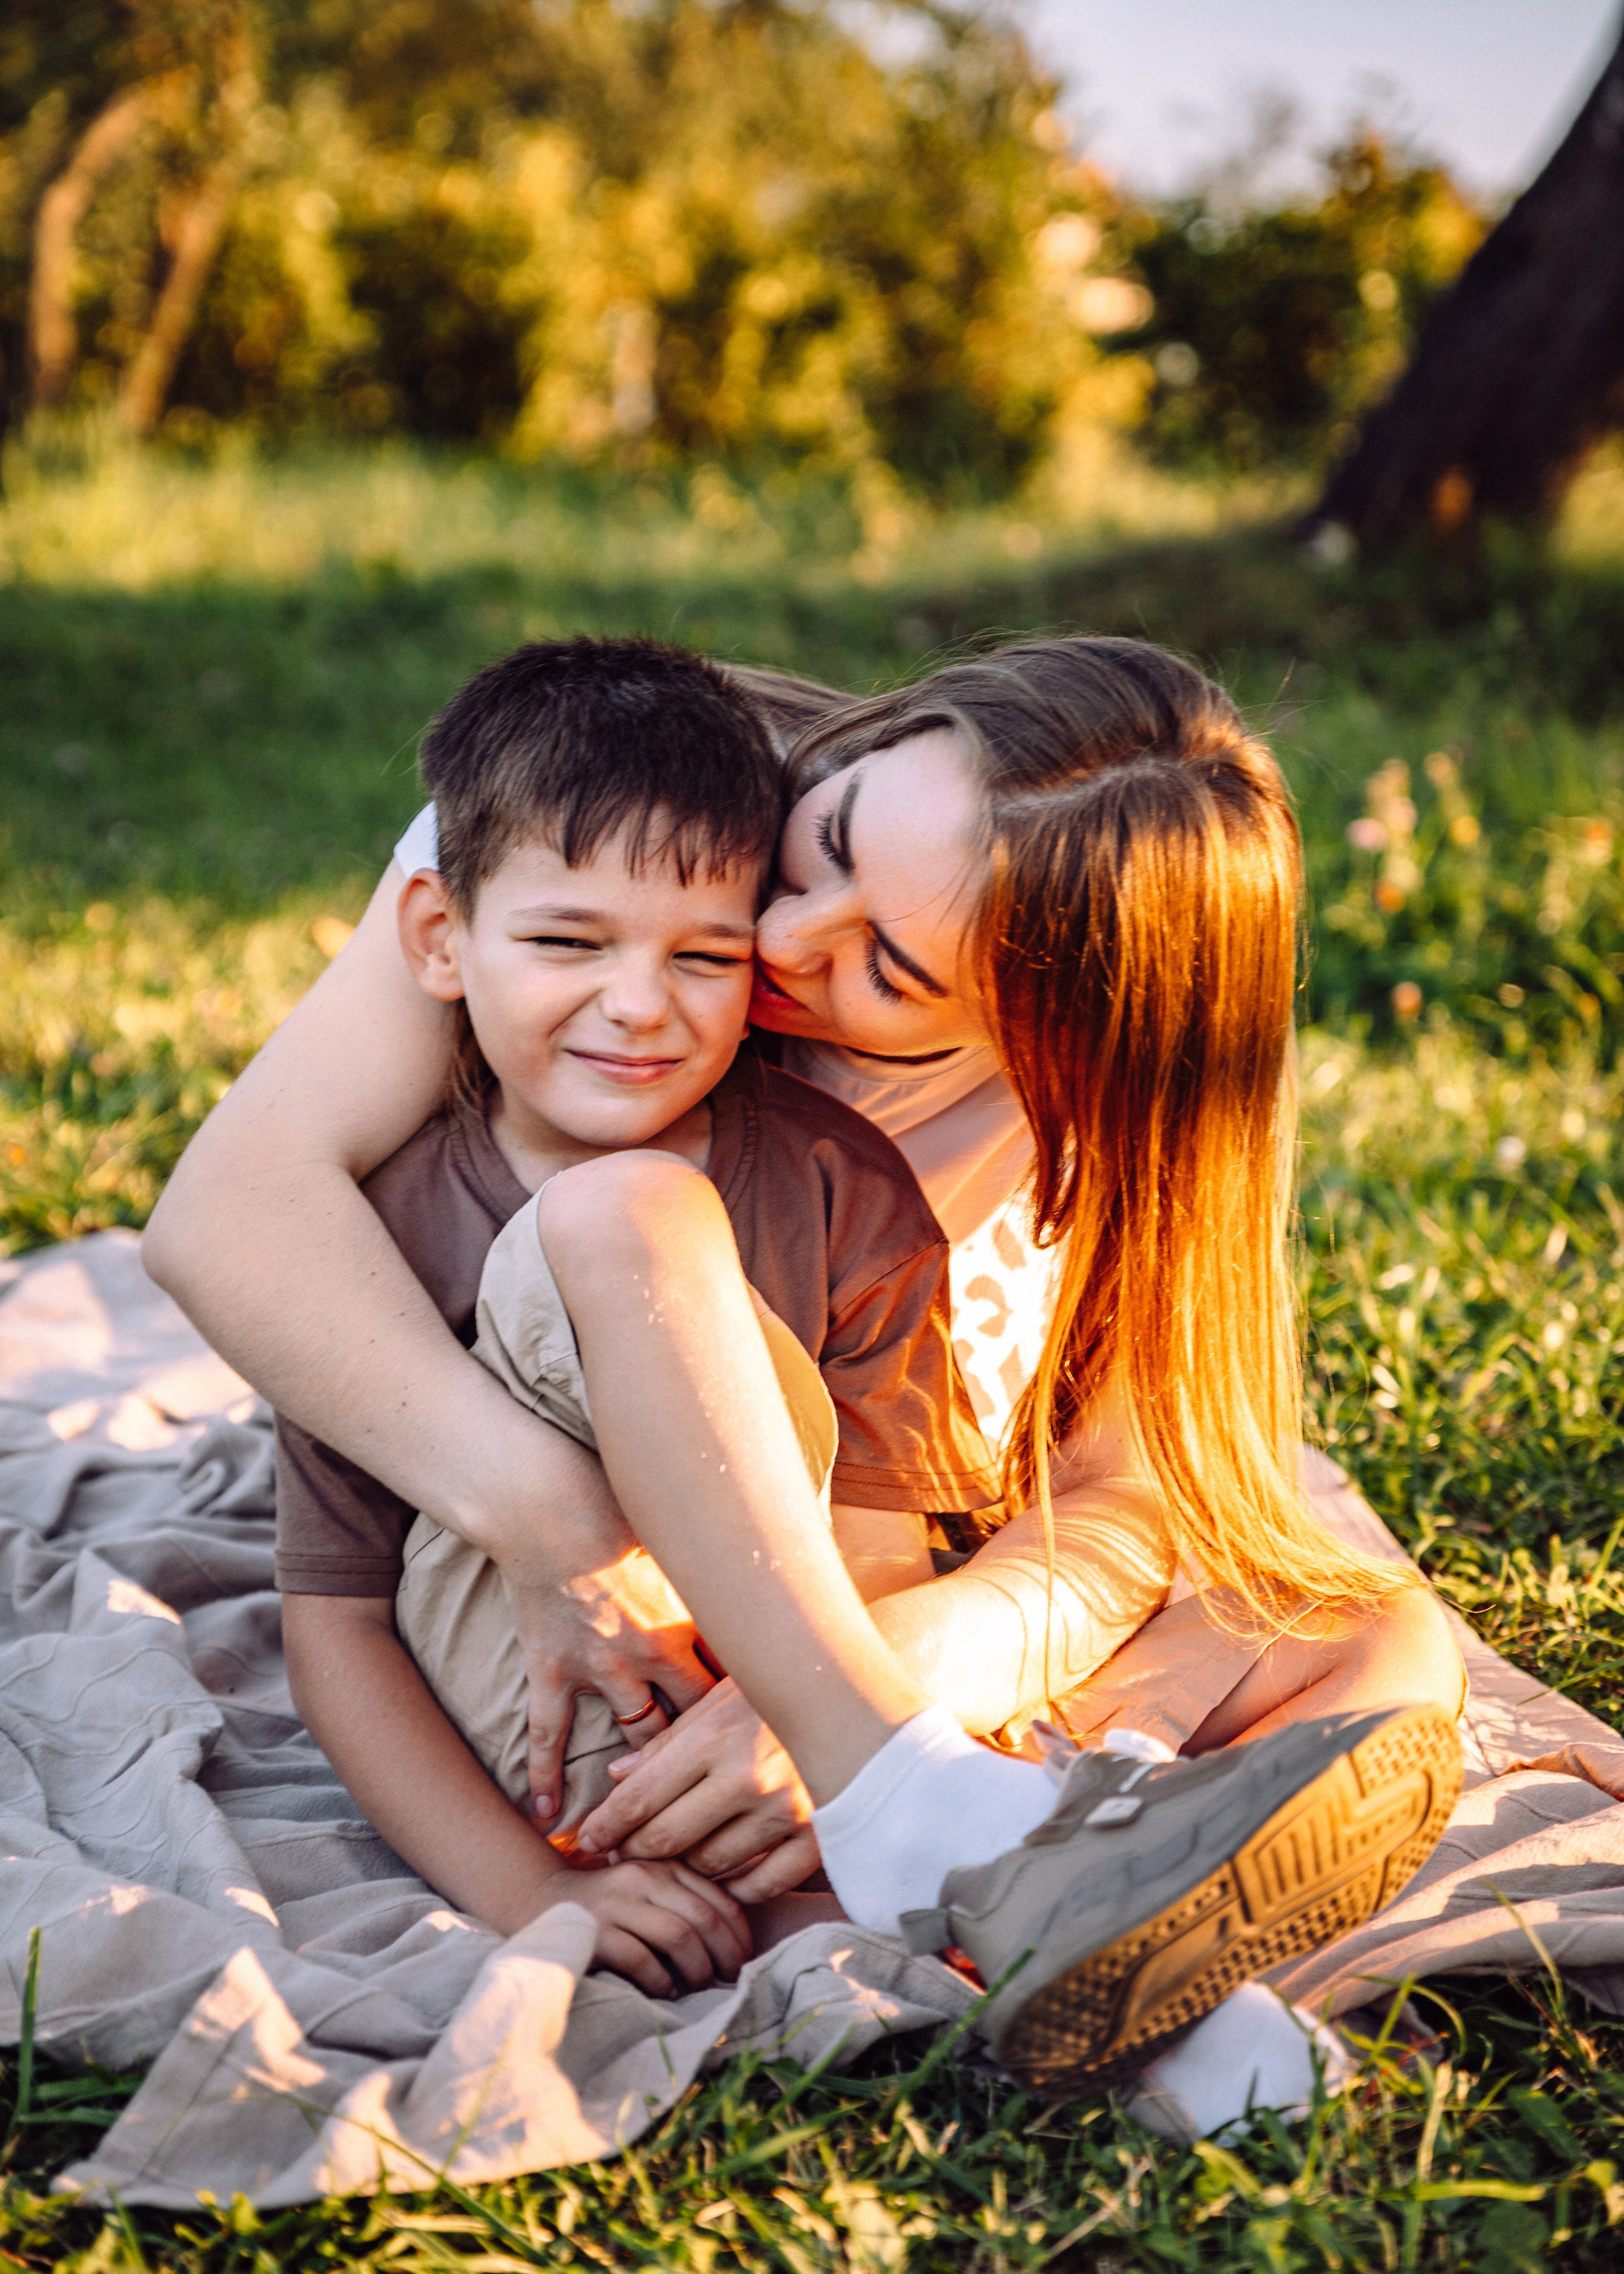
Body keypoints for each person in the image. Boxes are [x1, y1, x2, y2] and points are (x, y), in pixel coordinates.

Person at [143, 633, 1466, 2099]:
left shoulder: (965, 1144)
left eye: (887, 968)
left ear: (1046, 1038)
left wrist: (901, 1665)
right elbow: (232, 1220)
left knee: (1382, 1638)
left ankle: (1046, 1864)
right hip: (599, 1569)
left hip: (858, 1567)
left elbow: (1126, 1497)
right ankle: (950, 1826)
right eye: (822, 841)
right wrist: (555, 1526)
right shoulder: (633, 812)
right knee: (627, 1215)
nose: (777, 940)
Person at [276, 633, 1005, 1994]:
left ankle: (1014, 1936)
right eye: (567, 941)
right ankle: (917, 1901)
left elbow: (875, 1560)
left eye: (703, 956)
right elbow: (337, 1627)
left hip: (774, 1712)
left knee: (878, 1927)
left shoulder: (843, 1191)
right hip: (547, 1732)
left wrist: (773, 1742)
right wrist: (526, 1889)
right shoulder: (381, 1230)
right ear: (440, 937)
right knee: (620, 1218)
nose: (636, 1006)